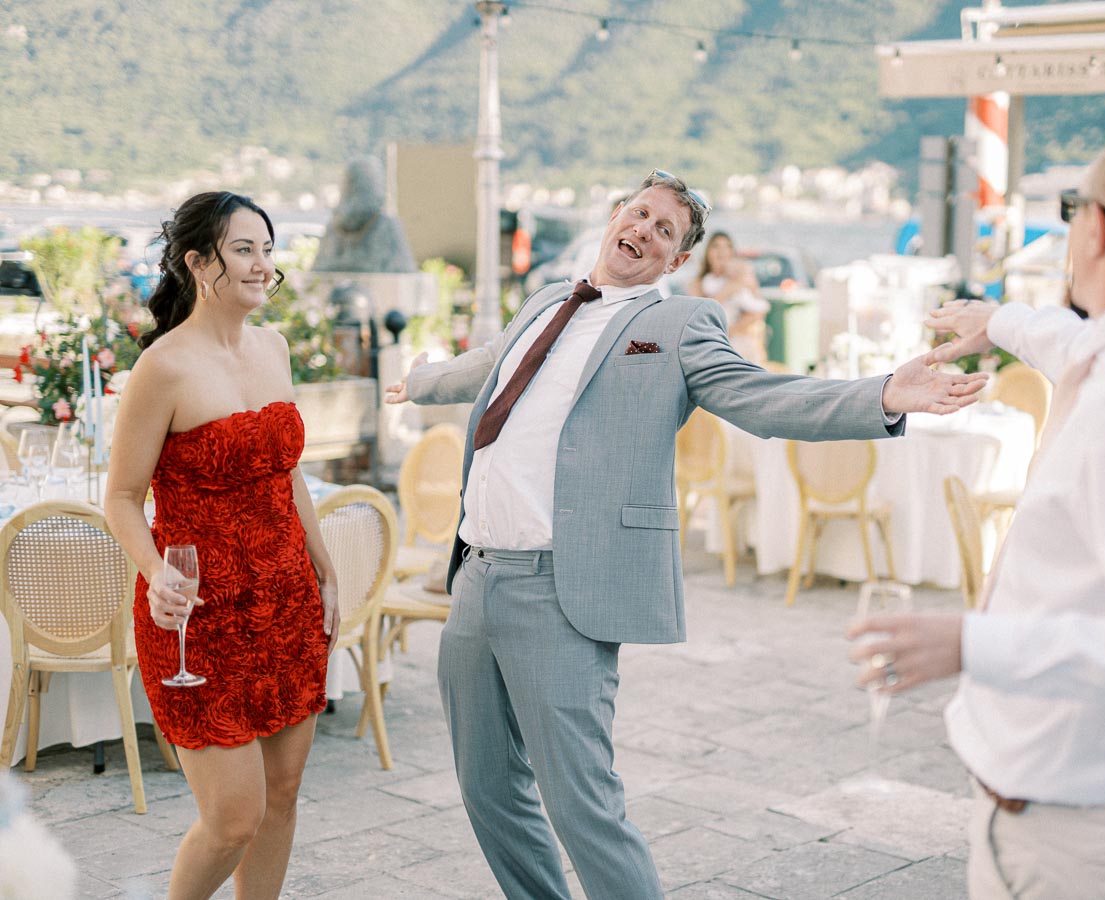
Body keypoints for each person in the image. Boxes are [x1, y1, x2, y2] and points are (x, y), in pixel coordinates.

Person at [383, 168, 988, 899]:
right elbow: (491, 364)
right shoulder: (548, 300)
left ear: (674, 262)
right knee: (487, 790)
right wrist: (420, 383)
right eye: (639, 213)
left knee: (582, 807)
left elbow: (763, 398)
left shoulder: (675, 324)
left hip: (560, 586)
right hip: (476, 573)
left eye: (664, 230)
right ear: (614, 217)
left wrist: (884, 392)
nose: (643, 229)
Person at [850, 118, 1105, 899]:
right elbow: (1072, 343)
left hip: (1075, 833)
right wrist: (994, 321)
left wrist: (972, 643)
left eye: (1071, 205)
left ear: (1093, 227)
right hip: (1076, 807)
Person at [104, 191, 339, 900]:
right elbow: (119, 497)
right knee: (234, 818)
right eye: (244, 249)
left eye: (268, 249)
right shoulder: (164, 368)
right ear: (199, 262)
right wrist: (154, 572)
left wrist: (324, 568)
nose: (263, 265)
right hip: (199, 621)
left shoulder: (275, 348)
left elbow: (285, 469)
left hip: (288, 601)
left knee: (284, 794)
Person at [691, 230, 769, 364]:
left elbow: (758, 311)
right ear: (708, 252)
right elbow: (700, 314)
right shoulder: (697, 283)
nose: (722, 251)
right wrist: (729, 288)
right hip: (712, 346)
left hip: (741, 343)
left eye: (727, 246)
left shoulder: (745, 278)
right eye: (716, 246)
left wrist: (730, 332)